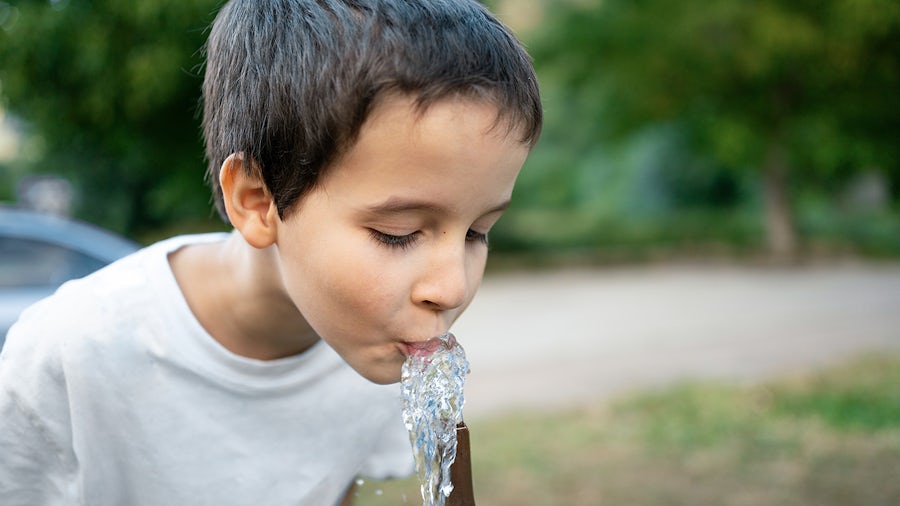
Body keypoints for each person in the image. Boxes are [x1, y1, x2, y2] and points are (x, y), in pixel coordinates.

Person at [0, 0, 542, 504]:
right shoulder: (69, 355)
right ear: (258, 201)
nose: (451, 288)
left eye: (477, 232)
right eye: (398, 233)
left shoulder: (377, 348)